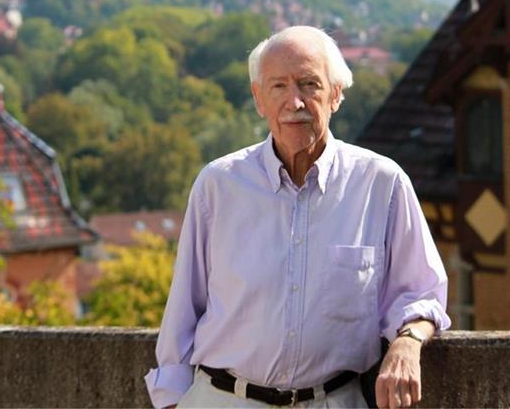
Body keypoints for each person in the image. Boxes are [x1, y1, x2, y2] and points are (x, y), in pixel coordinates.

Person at [144, 26, 450, 408]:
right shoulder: (218, 185)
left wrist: (407, 343)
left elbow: (422, 291)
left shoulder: (382, 184)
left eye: (309, 84)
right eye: (278, 87)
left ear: (335, 94)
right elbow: (183, 310)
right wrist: (172, 400)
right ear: (259, 99)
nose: (295, 101)